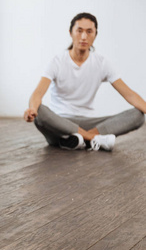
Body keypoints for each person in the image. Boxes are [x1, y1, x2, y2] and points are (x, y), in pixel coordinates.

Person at [24, 12, 145, 151]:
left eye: (89, 32)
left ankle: (78, 139)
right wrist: (32, 109)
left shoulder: (102, 63)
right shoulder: (57, 61)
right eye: (79, 31)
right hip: (59, 122)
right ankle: (93, 140)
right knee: (40, 112)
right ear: (70, 33)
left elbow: (129, 94)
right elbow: (38, 93)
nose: (83, 36)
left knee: (138, 115)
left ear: (95, 34)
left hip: (90, 122)